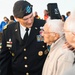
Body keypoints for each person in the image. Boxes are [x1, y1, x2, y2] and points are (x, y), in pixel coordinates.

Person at [0, 1, 48, 75]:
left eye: (31, 16)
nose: (30, 21)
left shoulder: (44, 25)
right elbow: (5, 58)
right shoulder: (8, 30)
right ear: (16, 18)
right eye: (25, 19)